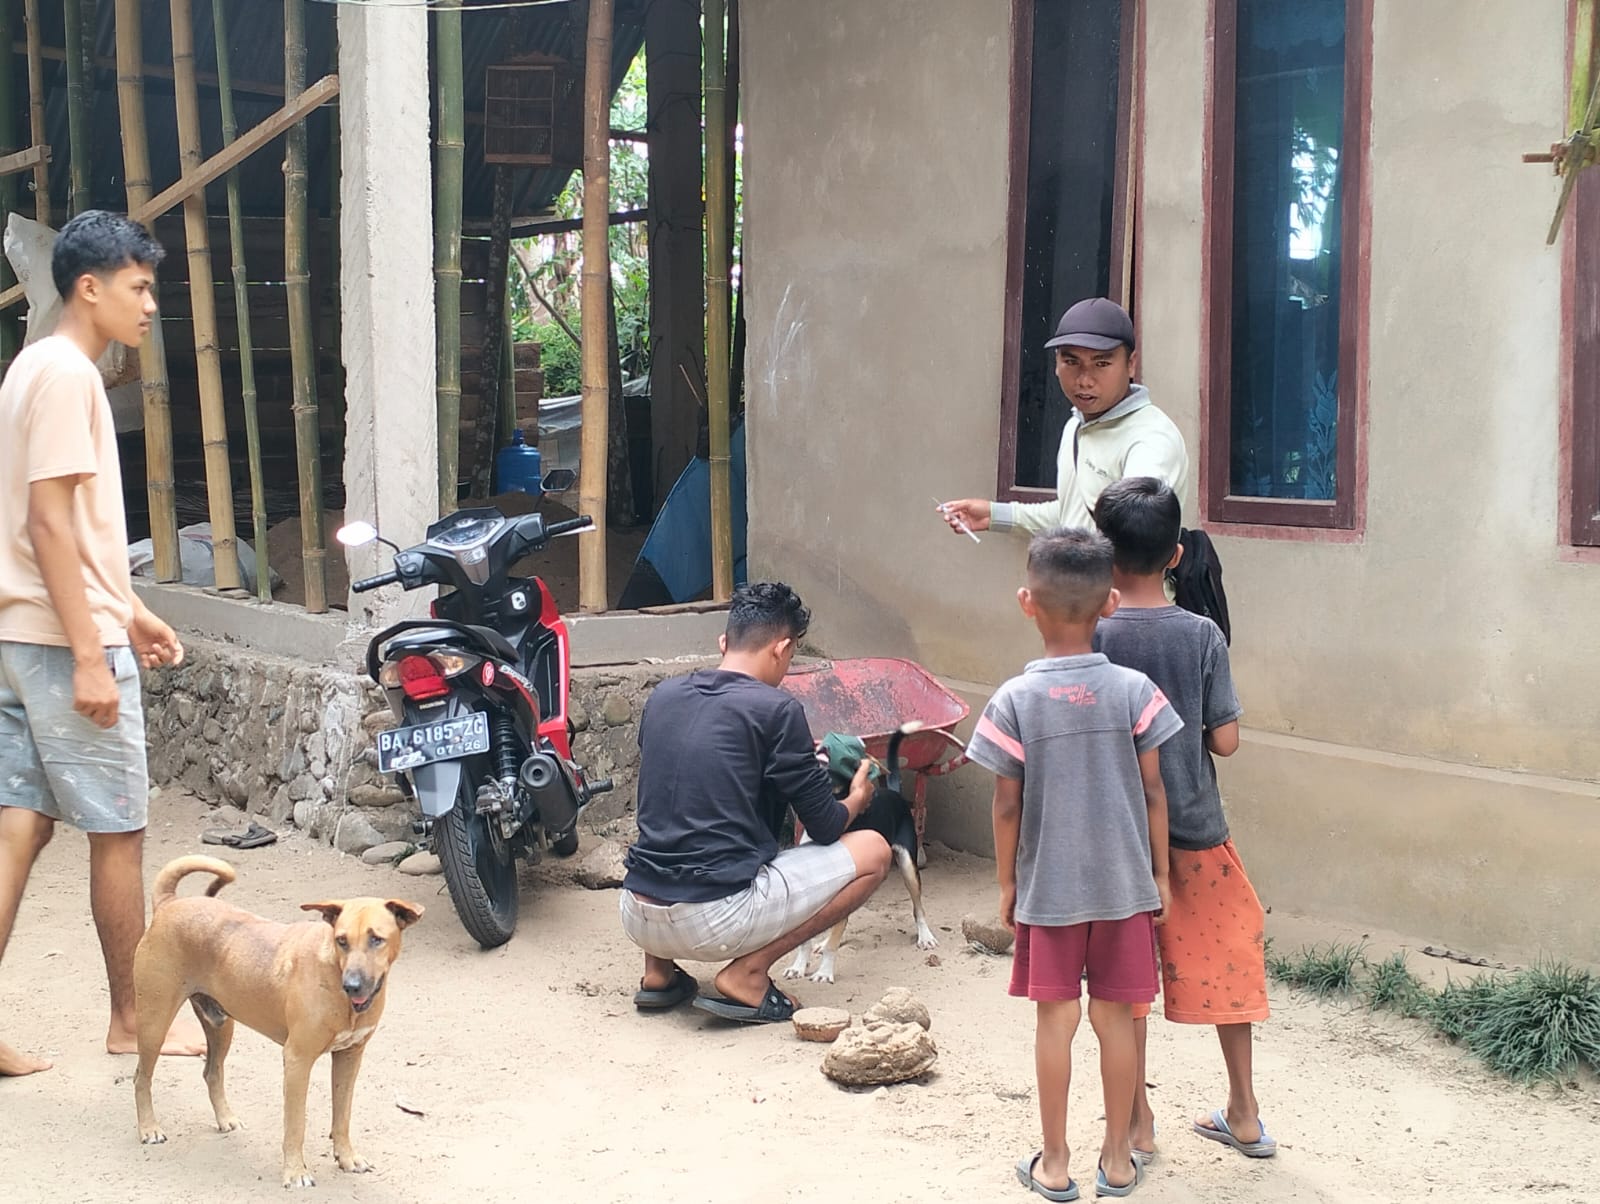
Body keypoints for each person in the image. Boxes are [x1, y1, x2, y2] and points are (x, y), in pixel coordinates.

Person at [0, 210, 203, 1077]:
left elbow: (72, 524)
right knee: (119, 831)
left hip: (29, 632)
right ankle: (131, 1016)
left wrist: (129, 611)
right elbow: (48, 523)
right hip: (56, 639)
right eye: (140, 286)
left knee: (19, 828)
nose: (151, 305)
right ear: (91, 287)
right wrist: (92, 651)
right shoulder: (67, 375)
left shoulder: (33, 368)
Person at [967, 528, 1181, 1199]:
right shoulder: (1133, 691)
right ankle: (1117, 1160)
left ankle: (1054, 1164)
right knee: (1116, 1020)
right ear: (1110, 603)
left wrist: (1007, 881)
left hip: (1049, 889)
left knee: (1054, 1023)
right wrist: (1161, 876)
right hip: (1123, 888)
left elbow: (1006, 806)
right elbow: (1153, 789)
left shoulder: (1013, 701)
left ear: (1026, 602)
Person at [1091, 477, 1273, 1161]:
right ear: (1176, 556)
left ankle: (1137, 1123)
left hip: (1119, 842)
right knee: (1230, 962)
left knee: (1126, 983)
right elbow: (1224, 740)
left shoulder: (1094, 633)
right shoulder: (1201, 635)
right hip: (1197, 830)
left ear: (1103, 555)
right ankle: (1245, 1111)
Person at [618, 582, 890, 1024]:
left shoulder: (663, 697)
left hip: (635, 910)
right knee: (874, 851)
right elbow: (824, 827)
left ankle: (658, 974)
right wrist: (857, 798)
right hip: (713, 921)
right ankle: (748, 974)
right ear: (782, 648)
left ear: (723, 642)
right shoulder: (777, 710)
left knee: (674, 821)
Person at [939, 297, 1187, 539]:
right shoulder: (1076, 426)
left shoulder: (1151, 439)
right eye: (1071, 361)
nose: (1084, 379)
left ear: (1130, 364)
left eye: (1101, 363)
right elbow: (1072, 517)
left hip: (1107, 583)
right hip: (1072, 581)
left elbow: (1134, 541)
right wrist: (993, 515)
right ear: (1056, 364)